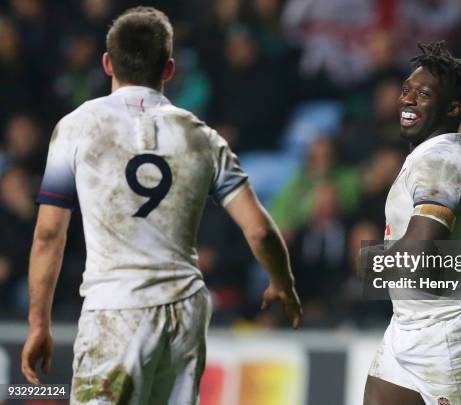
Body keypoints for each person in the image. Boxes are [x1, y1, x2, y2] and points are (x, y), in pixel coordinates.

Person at [20, 7, 302, 404]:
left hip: (116, 309)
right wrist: (282, 282)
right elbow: (258, 228)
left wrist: (38, 324)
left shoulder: (77, 127)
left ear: (106, 63)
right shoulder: (202, 137)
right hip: (185, 313)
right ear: (168, 69)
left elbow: (49, 233)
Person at [363, 42, 461, 405]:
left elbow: (422, 256)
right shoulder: (429, 157)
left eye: (422, 94)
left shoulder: (441, 162)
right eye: (406, 90)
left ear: (452, 108)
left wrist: (372, 263)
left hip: (451, 336)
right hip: (410, 325)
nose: (407, 100)